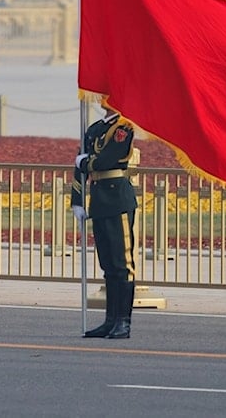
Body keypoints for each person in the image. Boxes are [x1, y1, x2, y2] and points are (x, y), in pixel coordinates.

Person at [71, 105, 137, 339]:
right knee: (107, 265)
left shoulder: (123, 127)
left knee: (122, 265)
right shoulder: (95, 129)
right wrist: (77, 200)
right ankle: (110, 321)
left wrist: (85, 162)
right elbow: (77, 166)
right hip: (98, 200)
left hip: (117, 199)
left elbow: (107, 159)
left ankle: (123, 322)